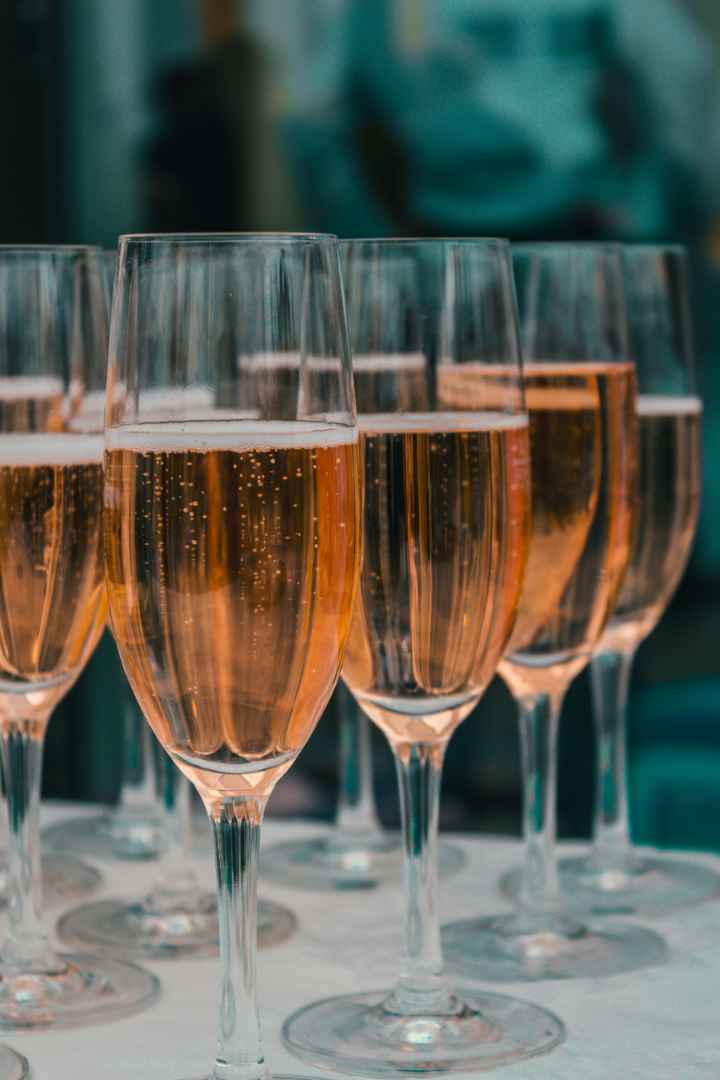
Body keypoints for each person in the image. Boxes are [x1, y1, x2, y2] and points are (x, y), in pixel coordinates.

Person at [279, 0, 719, 242]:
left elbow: (311, 120)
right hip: (544, 235)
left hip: (534, 231)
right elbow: (684, 74)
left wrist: (367, 240)